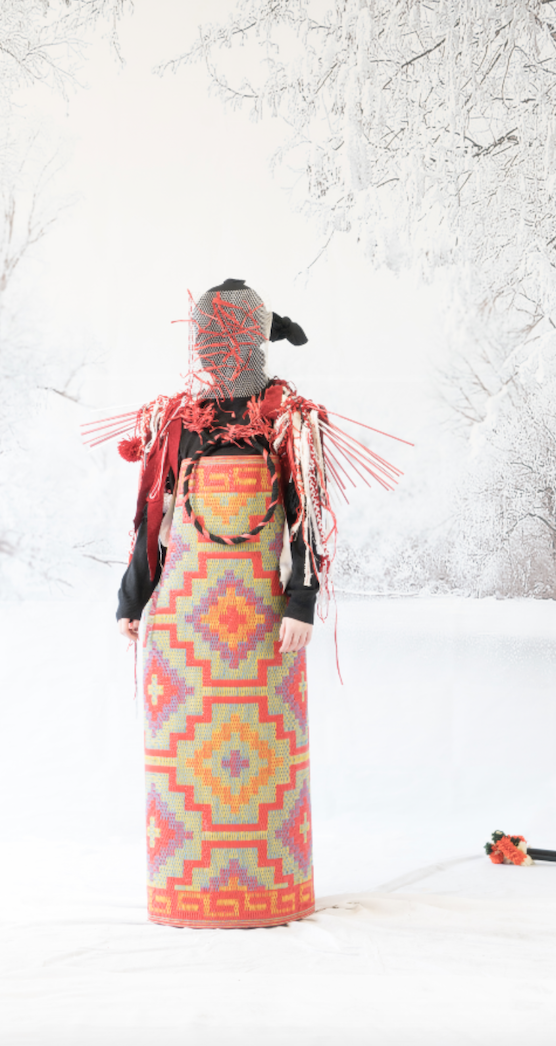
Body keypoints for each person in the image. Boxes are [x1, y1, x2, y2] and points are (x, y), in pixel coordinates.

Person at [93, 278, 403, 927]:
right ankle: (191, 891)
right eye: (210, 335)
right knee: (190, 757)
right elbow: (154, 512)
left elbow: (307, 516)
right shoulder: (177, 416)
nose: (217, 349)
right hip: (184, 620)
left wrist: (300, 602)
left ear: (255, 340)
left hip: (265, 616)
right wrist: (133, 596)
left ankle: (266, 889)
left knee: (260, 756)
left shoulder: (287, 417)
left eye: (226, 335)